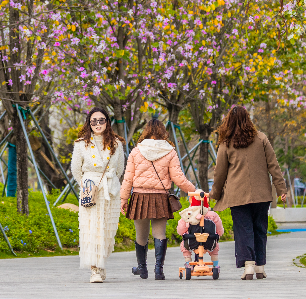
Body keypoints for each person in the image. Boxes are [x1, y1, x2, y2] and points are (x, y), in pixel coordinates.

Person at [210, 105, 287, 280]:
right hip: (262, 194)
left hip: (237, 195)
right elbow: (273, 166)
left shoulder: (226, 143)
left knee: (244, 230)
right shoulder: (261, 139)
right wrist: (281, 188)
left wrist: (214, 194)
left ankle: (249, 267)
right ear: (248, 120)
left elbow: (219, 173)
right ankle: (260, 267)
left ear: (229, 122)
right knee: (260, 229)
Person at [120, 117, 195, 280]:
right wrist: (194, 191)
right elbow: (179, 178)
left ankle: (142, 269)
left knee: (141, 235)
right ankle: (159, 270)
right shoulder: (170, 151)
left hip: (139, 197)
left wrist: (123, 199)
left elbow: (128, 178)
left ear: (145, 132)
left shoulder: (136, 151)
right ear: (163, 132)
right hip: (160, 197)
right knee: (159, 233)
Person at [70, 107, 126, 283]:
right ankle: (95, 269)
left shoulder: (117, 143)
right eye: (94, 121)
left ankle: (101, 265)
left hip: (110, 189)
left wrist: (109, 184)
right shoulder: (81, 144)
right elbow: (75, 169)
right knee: (92, 229)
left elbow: (119, 169)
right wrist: (87, 184)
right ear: (89, 123)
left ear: (107, 122)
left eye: (101, 120)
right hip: (91, 189)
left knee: (107, 231)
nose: (98, 124)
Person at [177, 195, 224, 271]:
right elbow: (219, 228)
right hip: (209, 241)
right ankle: (215, 265)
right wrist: (219, 234)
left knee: (184, 246)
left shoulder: (188, 215)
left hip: (191, 241)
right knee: (215, 248)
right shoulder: (213, 215)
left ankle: (188, 263)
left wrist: (183, 233)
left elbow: (181, 229)